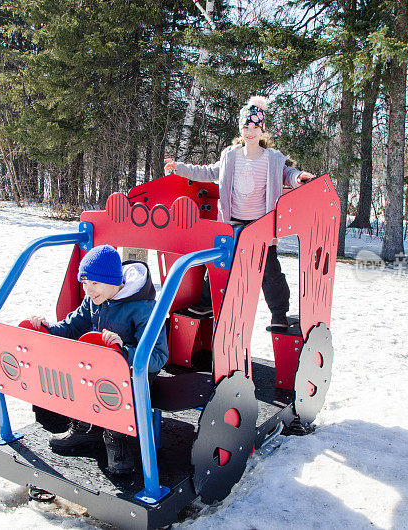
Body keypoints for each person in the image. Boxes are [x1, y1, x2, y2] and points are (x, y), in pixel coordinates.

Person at [164, 95, 316, 329]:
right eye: (246, 127)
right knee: (218, 260)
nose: (250, 132)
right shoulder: (230, 155)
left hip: (260, 224)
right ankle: (207, 302)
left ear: (262, 130)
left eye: (255, 127)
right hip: (232, 222)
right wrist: (180, 168)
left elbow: (288, 174)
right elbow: (208, 172)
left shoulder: (272, 158)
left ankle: (279, 314)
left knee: (269, 270)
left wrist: (299, 177)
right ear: (240, 129)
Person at [24, 244, 168, 477]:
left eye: (94, 284)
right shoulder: (95, 300)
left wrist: (124, 352)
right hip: (100, 364)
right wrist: (48, 328)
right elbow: (73, 326)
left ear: (113, 281)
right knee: (78, 371)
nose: (88, 290)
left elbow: (158, 357)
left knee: (115, 389)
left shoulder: (143, 308)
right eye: (85, 284)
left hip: (134, 372)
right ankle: (84, 428)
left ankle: (116, 437)